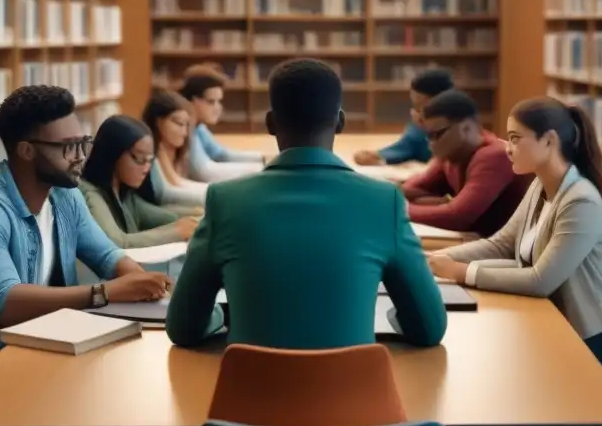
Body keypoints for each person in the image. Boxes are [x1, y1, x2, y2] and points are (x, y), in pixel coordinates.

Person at [0, 85, 186, 426]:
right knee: (113, 425)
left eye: (83, 142)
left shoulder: (66, 196)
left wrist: (142, 281)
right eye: (68, 146)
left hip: (53, 349)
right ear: (27, 151)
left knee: (123, 413)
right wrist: (103, 293)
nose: (81, 156)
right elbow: (5, 302)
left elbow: (107, 255)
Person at [427, 97, 602, 426]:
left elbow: (541, 280)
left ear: (549, 141)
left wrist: (459, 273)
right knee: (490, 353)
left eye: (515, 138)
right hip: (553, 328)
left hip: (588, 349)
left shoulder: (580, 201)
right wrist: (433, 263)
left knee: (486, 364)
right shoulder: (542, 185)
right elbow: (503, 243)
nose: (506, 147)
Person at [166, 57, 447, 351]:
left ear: (270, 124)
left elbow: (183, 328)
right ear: (340, 122)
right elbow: (429, 328)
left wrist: (222, 318)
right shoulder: (384, 201)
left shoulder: (224, 201)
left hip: (248, 393)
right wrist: (388, 316)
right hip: (357, 393)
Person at [402, 89, 530, 237]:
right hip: (479, 242)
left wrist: (397, 210)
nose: (431, 144)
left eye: (437, 135)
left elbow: (457, 217)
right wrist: (441, 203)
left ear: (466, 127)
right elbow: (407, 191)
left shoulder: (495, 156)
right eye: (428, 136)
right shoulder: (452, 155)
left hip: (508, 251)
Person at [79, 114, 199, 249]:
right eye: (140, 159)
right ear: (113, 152)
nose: (146, 169)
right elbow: (117, 242)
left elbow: (167, 216)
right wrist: (177, 232)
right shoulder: (90, 195)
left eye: (150, 160)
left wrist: (199, 216)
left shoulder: (123, 192)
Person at [179, 66, 266, 182]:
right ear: (193, 100)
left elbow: (220, 155)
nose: (218, 108)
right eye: (211, 102)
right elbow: (204, 172)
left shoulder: (199, 127)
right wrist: (262, 169)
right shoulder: (184, 127)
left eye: (219, 101)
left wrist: (264, 159)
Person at [353, 67, 454, 166]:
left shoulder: (458, 131)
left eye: (422, 107)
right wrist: (378, 155)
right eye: (415, 107)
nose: (416, 113)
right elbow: (406, 146)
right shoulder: (418, 129)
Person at [139, 90, 208, 213]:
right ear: (158, 122)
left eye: (186, 125)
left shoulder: (167, 150)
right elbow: (167, 194)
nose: (184, 133)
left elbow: (178, 183)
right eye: (179, 124)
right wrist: (218, 196)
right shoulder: (147, 154)